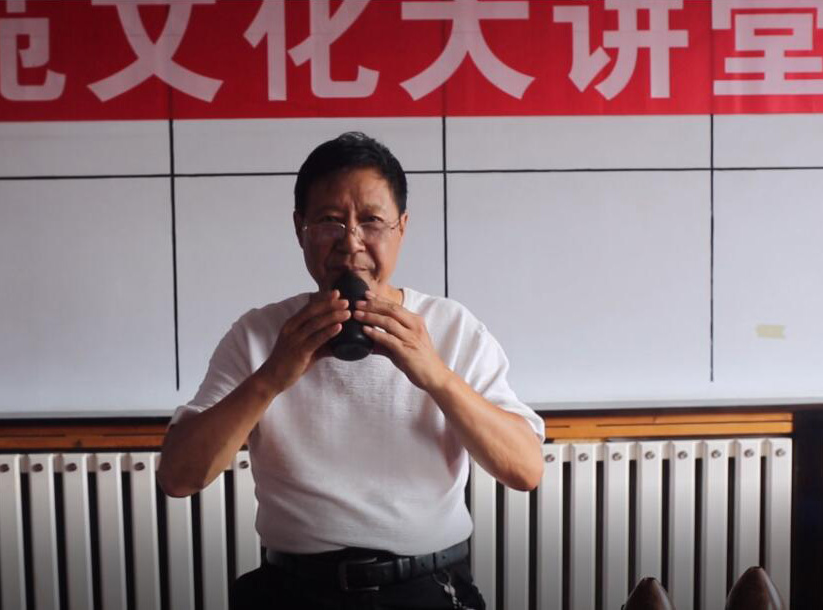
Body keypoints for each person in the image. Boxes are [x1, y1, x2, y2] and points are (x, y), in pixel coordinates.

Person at [158, 132, 545, 610]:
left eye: (372, 221)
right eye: (329, 221)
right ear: (300, 228)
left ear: (402, 227)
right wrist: (272, 377)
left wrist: (434, 374)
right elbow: (178, 478)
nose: (351, 242)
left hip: (428, 586)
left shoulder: (450, 327)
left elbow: (524, 471)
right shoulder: (260, 333)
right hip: (293, 591)